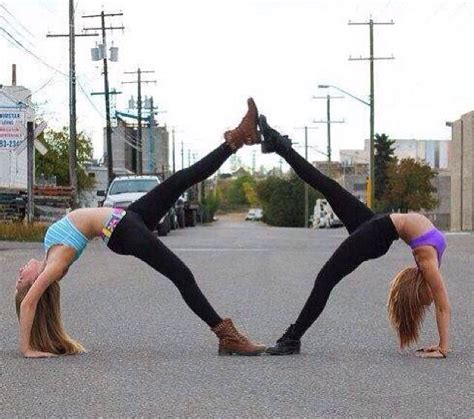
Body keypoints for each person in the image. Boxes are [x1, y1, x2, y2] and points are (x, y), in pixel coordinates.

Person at [15, 99, 266, 358]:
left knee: (182, 178)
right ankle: (227, 336)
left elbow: (30, 297)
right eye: (21, 279)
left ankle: (238, 137)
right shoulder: (56, 264)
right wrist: (27, 348)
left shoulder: (49, 250)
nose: (20, 271)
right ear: (34, 282)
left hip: (125, 217)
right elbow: (30, 303)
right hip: (120, 230)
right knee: (181, 274)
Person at [258, 114, 450, 359]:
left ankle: (292, 338)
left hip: (378, 233)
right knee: (328, 186)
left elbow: (443, 306)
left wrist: (442, 347)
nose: (431, 300)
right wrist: (443, 346)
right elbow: (443, 305)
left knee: (325, 279)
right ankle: (279, 145)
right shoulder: (430, 264)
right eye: (427, 300)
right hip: (377, 225)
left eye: (426, 301)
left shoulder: (427, 261)